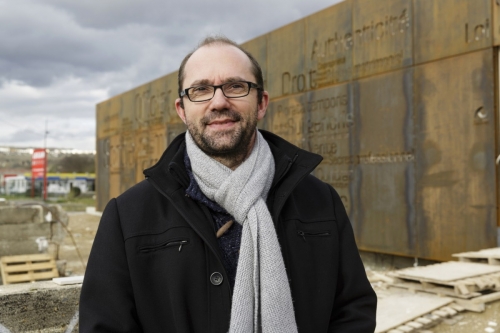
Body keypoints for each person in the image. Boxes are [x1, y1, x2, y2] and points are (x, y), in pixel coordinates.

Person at [80, 35, 377, 333]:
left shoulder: (320, 201)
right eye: (201, 90)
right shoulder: (128, 215)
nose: (219, 102)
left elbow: (353, 309)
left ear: (261, 103)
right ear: (182, 110)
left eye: (236, 86)